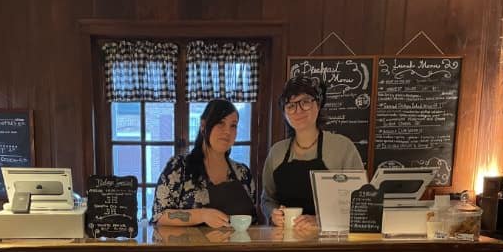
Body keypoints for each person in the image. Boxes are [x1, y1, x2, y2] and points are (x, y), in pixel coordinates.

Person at [262, 76, 364, 229]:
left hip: (332, 242)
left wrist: (320, 220)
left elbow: (360, 202)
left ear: (318, 104)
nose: (298, 110)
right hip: (286, 242)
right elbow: (267, 200)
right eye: (290, 105)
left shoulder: (342, 147)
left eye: (305, 102)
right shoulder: (276, 152)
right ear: (284, 112)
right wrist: (273, 214)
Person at [151, 99, 256, 228]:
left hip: (236, 247)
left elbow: (253, 222)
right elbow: (160, 215)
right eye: (220, 123)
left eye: (233, 125)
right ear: (203, 126)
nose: (227, 131)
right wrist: (202, 215)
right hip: (189, 248)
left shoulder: (243, 173)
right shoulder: (179, 168)